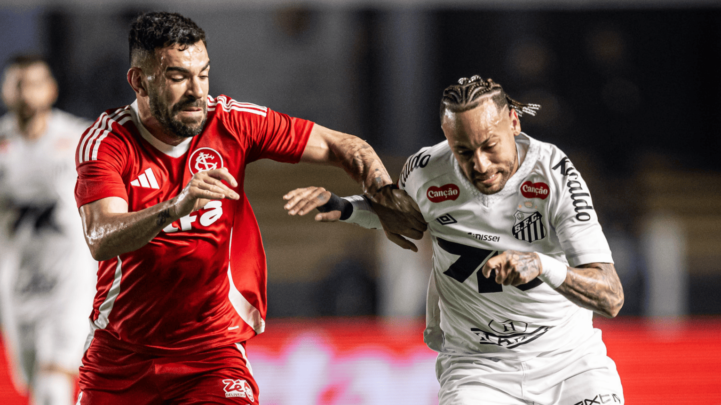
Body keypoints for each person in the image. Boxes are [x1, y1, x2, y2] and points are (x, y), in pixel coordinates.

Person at [72, 11, 423, 405]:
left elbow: (345, 147)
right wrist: (177, 206)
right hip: (123, 359)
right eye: (177, 77)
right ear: (139, 81)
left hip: (211, 355)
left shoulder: (231, 122)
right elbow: (101, 236)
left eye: (202, 74)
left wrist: (384, 193)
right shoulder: (107, 142)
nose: (196, 91)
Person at [284, 75, 625, 405]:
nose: (480, 164)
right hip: (478, 369)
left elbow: (610, 296)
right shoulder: (425, 172)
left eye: (490, 146)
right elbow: (407, 222)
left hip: (569, 362)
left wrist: (540, 265)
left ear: (514, 122)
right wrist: (344, 207)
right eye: (463, 151)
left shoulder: (556, 176)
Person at [0, 54, 97, 405]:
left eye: (35, 84)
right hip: (18, 286)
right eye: (19, 84)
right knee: (33, 385)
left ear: (51, 90)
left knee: (52, 386)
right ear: (6, 91)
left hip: (69, 285)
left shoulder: (79, 139)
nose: (27, 93)